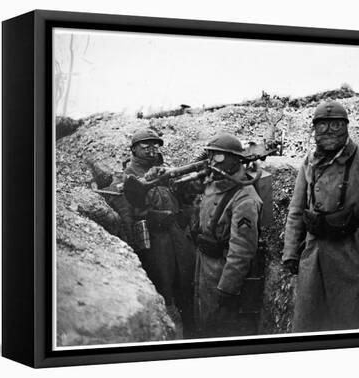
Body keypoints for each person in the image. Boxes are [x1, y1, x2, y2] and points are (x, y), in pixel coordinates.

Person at [282, 100, 359, 332]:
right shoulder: (309, 162)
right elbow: (296, 210)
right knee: (307, 324)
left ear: (346, 127)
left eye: (336, 125)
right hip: (314, 255)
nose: (328, 131)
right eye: (322, 126)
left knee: (347, 323)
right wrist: (291, 253)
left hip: (352, 254)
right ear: (314, 130)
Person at [105, 128, 196, 337]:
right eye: (146, 146)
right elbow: (129, 211)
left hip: (177, 234)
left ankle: (193, 334)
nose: (152, 150)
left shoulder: (163, 170)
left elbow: (183, 196)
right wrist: (149, 215)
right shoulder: (128, 176)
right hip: (155, 240)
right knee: (164, 288)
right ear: (134, 149)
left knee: (186, 282)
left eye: (155, 145)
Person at [193, 133, 263, 338]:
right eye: (212, 155)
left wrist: (227, 288)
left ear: (234, 160)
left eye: (219, 156)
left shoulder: (245, 198)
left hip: (221, 270)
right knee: (202, 316)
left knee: (220, 325)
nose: (213, 161)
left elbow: (242, 250)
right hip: (204, 264)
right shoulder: (214, 183)